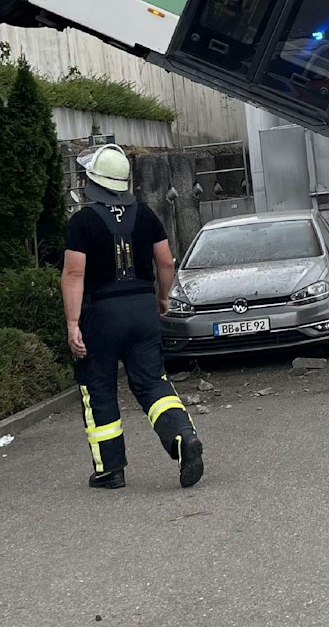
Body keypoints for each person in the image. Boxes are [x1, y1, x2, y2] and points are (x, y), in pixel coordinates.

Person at [60, 144, 204, 490]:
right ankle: (182, 437)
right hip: (142, 309)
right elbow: (166, 262)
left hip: (101, 314)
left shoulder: (82, 221)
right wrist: (162, 297)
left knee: (99, 386)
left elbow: (74, 274)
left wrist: (72, 323)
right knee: (152, 381)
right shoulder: (147, 215)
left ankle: (110, 471)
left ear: (92, 181)